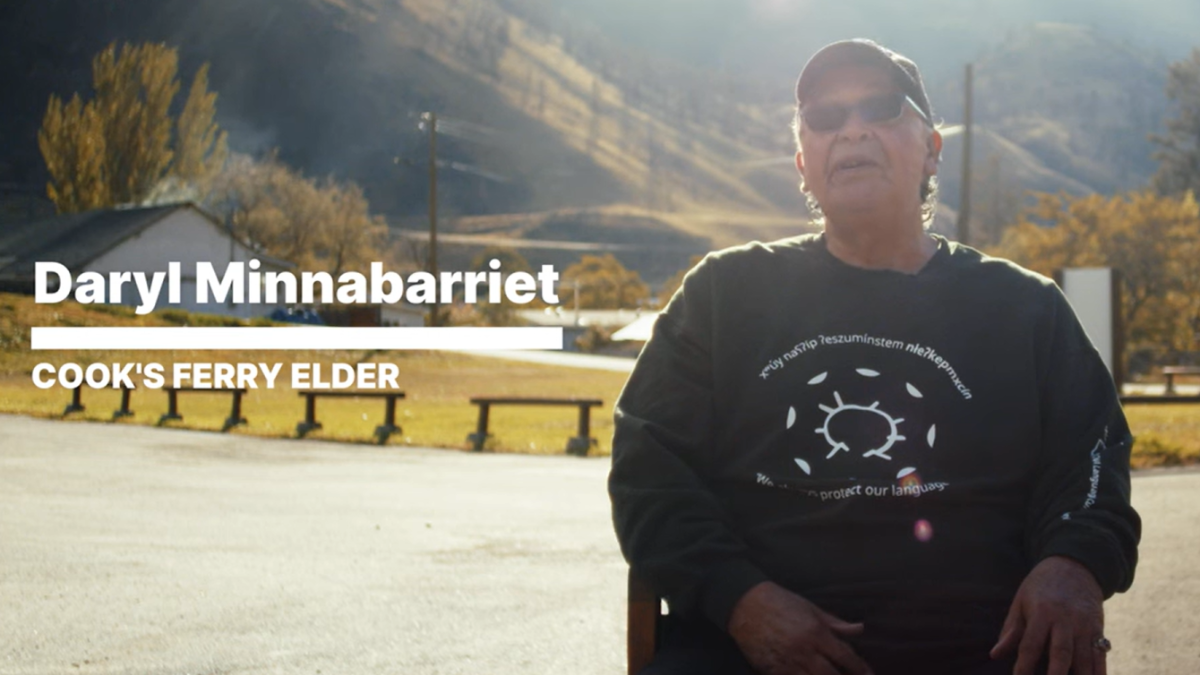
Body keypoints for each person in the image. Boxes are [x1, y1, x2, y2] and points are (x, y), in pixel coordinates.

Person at [609, 38, 1140, 675]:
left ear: (932, 150)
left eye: (882, 109)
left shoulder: (1027, 309)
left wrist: (1073, 563)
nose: (852, 130)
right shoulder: (723, 294)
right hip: (748, 646)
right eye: (826, 119)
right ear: (803, 162)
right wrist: (740, 599)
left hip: (985, 644)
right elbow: (648, 466)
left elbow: (1091, 459)